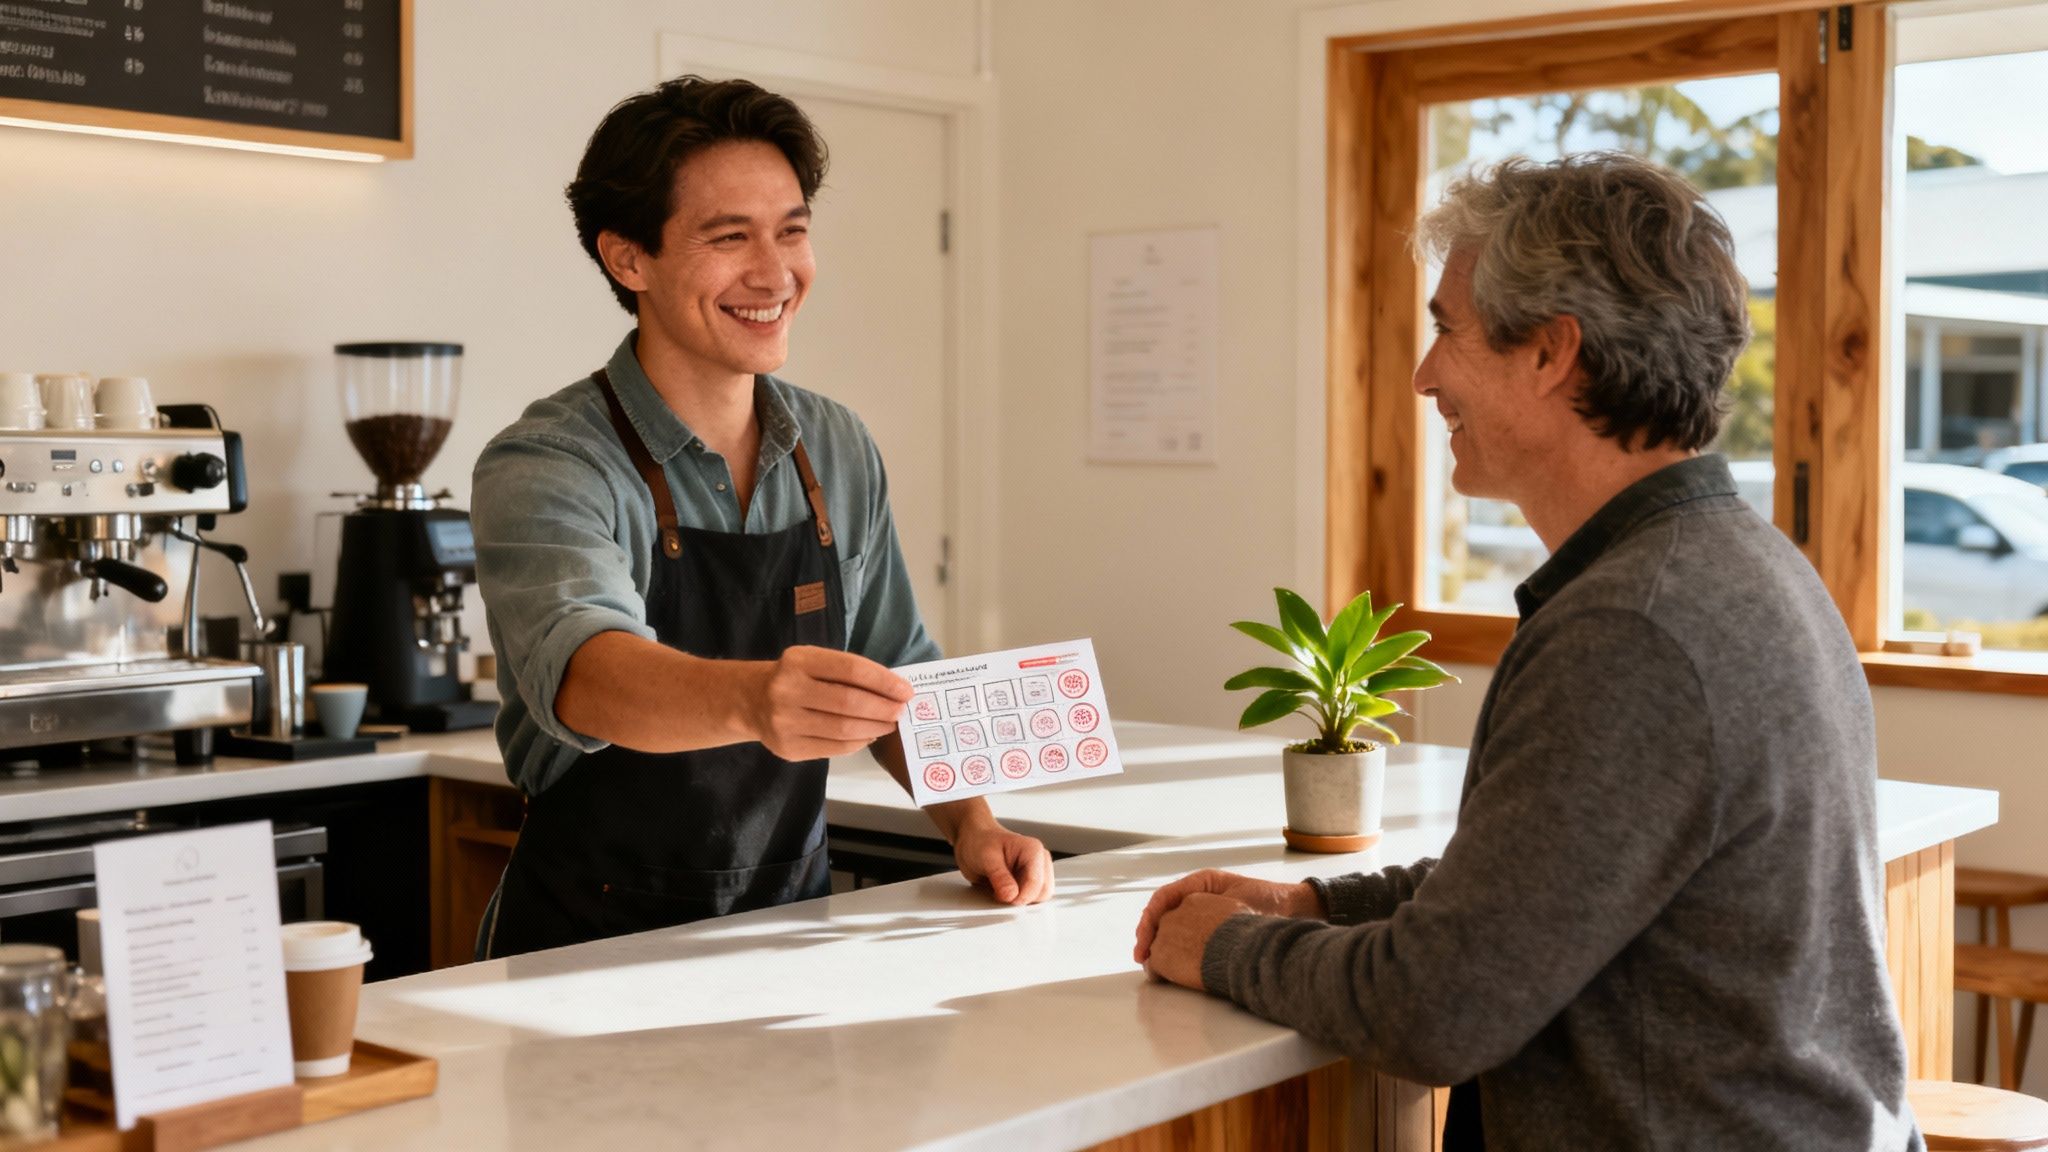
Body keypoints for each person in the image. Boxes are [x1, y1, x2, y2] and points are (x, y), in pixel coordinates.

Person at [1133, 153, 1922, 1150]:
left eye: (1444, 330)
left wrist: (1228, 948)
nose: (1423, 377)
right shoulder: (1734, 563)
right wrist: (1314, 901)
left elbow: (1436, 1010)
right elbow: (1543, 889)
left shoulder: (1632, 629)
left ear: (1550, 352)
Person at [471, 76, 1051, 959]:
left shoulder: (835, 445)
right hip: (585, 951)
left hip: (788, 934)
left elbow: (896, 665)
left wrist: (971, 824)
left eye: (792, 230)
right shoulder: (549, 461)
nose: (775, 273)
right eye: (729, 237)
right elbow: (586, 672)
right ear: (630, 259)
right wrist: (754, 697)